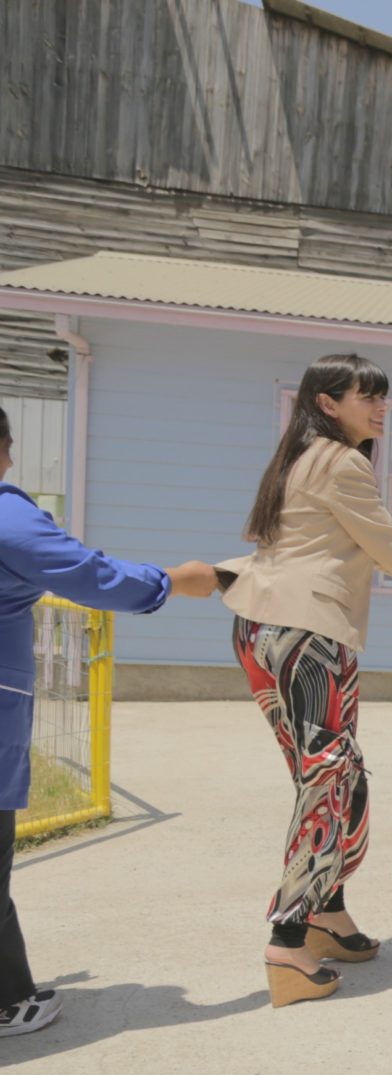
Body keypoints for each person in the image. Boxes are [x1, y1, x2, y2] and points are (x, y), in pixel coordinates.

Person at [218, 355, 392, 1008]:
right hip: (307, 637)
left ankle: (327, 913)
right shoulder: (342, 463)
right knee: (328, 783)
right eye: (365, 397)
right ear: (325, 402)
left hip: (268, 632)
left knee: (341, 780)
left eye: (382, 397)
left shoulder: (298, 458)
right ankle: (289, 939)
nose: (379, 408)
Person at [0, 402, 217, 1036]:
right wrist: (172, 581)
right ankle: (12, 1001)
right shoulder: (9, 516)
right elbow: (92, 575)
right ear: (6, 449)